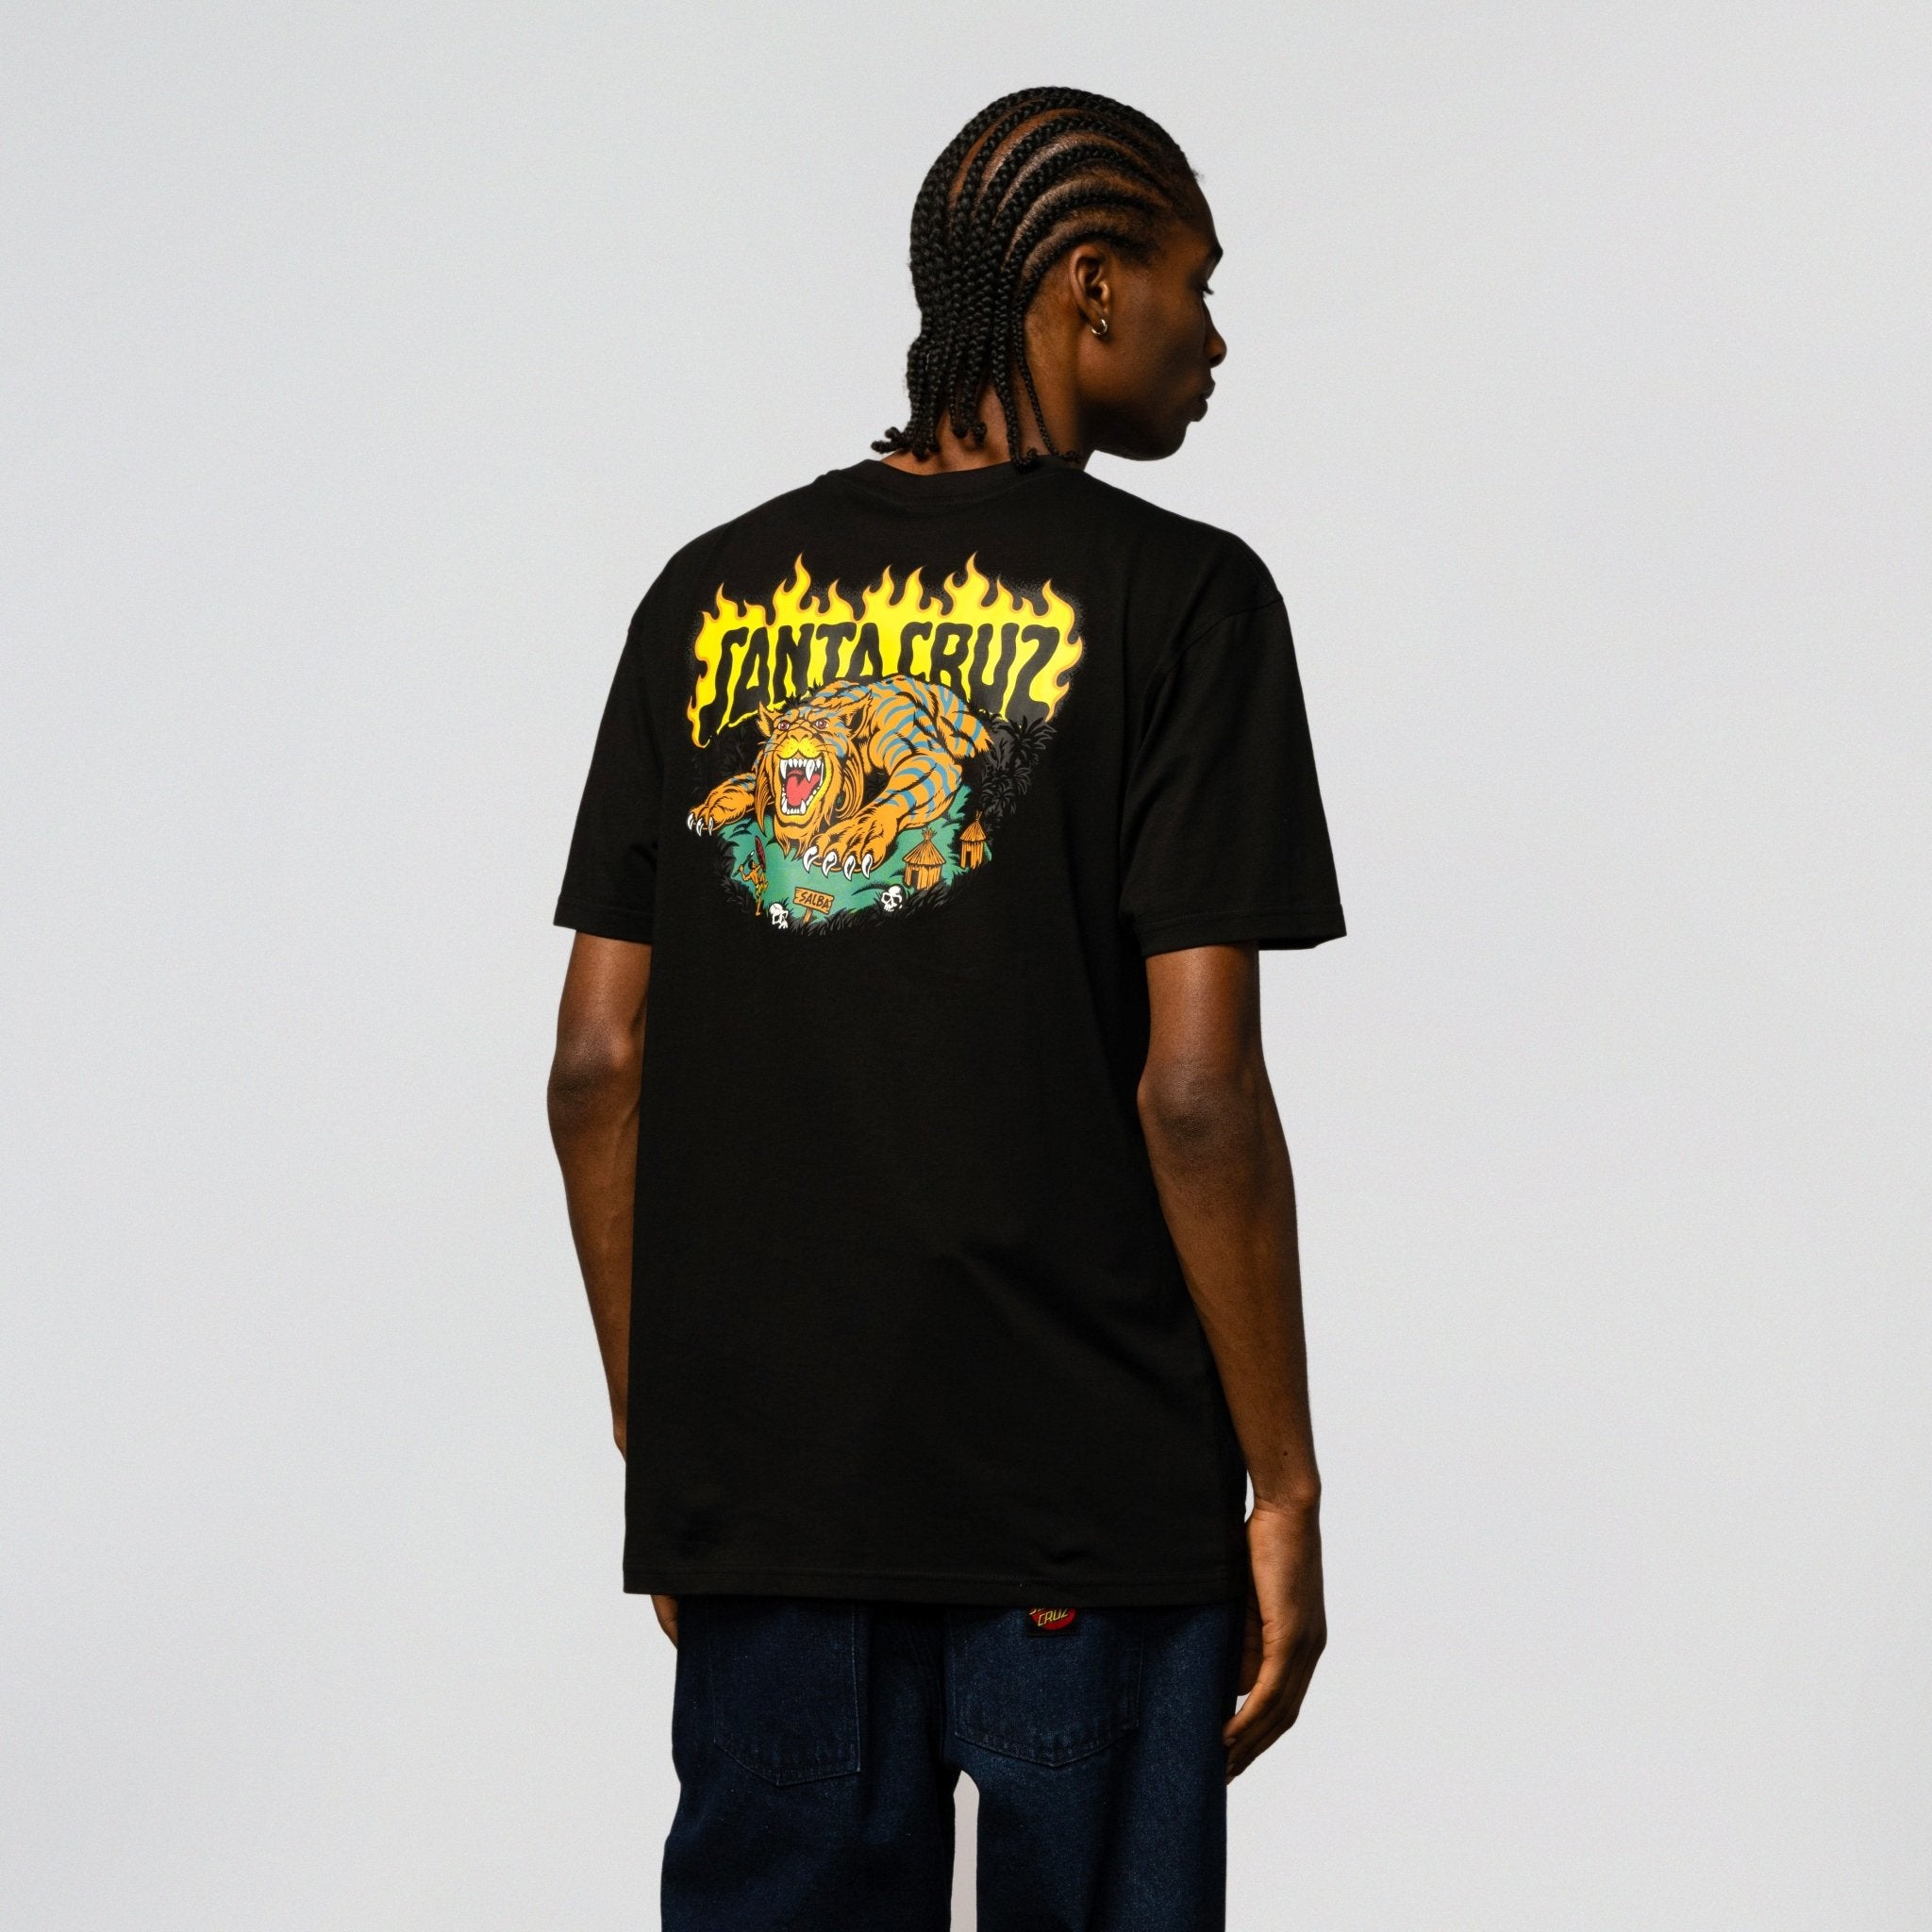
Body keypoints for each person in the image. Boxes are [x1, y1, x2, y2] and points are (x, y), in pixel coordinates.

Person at [547, 85, 1346, 1932]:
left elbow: (596, 1065)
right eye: (1196, 283)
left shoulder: (706, 595)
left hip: (774, 1494)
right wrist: (1285, 1485)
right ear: (1091, 283)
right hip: (1087, 1497)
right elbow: (1197, 1096)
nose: (1215, 337)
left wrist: (674, 1453)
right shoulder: (1188, 602)